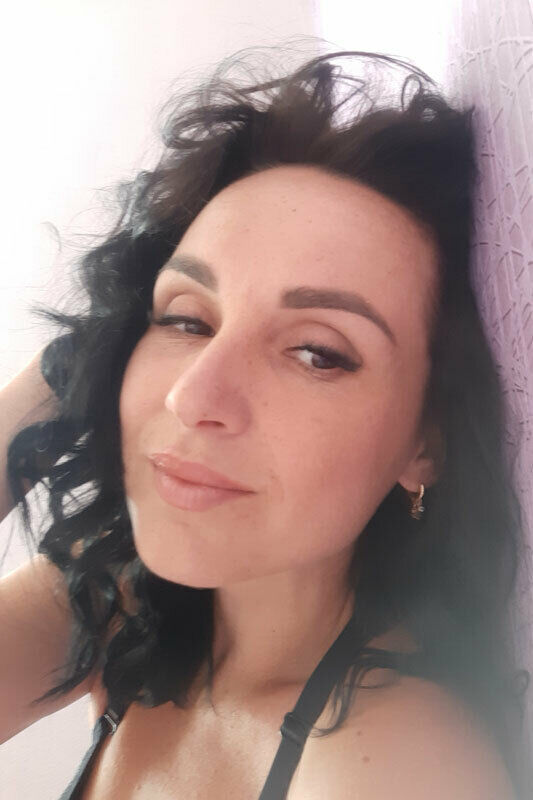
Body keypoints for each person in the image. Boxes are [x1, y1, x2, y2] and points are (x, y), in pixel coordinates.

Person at [0, 44, 531, 799]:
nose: (191, 396)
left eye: (317, 353)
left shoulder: (396, 762)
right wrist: (72, 368)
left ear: (425, 443)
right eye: (184, 319)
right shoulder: (121, 599)